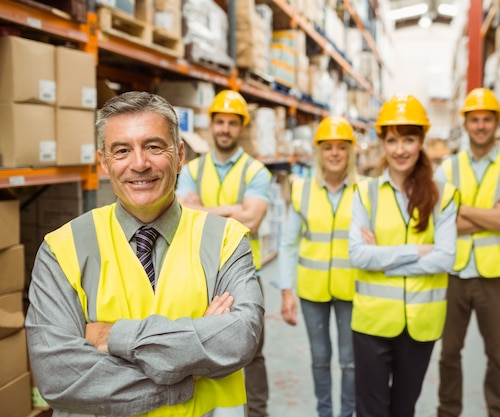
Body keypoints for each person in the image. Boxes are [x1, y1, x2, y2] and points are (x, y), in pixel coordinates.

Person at [25, 91, 264, 417]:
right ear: (104, 163)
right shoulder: (63, 248)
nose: (139, 163)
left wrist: (113, 335)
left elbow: (239, 338)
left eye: (154, 146)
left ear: (180, 155)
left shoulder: (225, 240)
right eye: (122, 150)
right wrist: (188, 368)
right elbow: (58, 377)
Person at [348, 94, 459, 417]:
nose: (400, 150)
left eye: (409, 140)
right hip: (372, 323)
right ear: (382, 142)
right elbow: (357, 255)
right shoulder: (365, 194)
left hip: (421, 324)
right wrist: (415, 250)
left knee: (404, 409)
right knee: (371, 410)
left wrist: (382, 256)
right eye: (393, 140)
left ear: (422, 141)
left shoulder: (444, 196)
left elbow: (446, 259)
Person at [434, 87, 500, 417]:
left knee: (499, 355)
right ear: (465, 123)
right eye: (474, 120)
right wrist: (492, 215)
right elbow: (437, 222)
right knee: (448, 353)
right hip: (454, 273)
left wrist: (462, 209)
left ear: (496, 123)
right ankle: (448, 412)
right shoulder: (447, 169)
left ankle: (499, 412)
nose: (480, 126)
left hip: (495, 277)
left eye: (486, 120)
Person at [175, 89, 271, 417]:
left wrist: (204, 211)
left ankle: (257, 412)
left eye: (232, 123)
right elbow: (184, 215)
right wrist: (234, 209)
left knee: (251, 352)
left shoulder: (256, 171)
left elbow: (253, 219)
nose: (225, 129)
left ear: (241, 127)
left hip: (244, 275)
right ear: (211, 125)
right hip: (199, 275)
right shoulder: (191, 169)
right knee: (200, 347)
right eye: (220, 122)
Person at [274, 116, 360, 417]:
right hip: (313, 291)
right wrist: (286, 291)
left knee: (350, 362)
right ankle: (325, 413)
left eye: (341, 147)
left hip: (353, 290)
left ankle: (347, 413)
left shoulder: (366, 191)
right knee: (320, 358)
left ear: (351, 151)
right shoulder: (302, 190)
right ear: (318, 152)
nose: (334, 153)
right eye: (328, 147)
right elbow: (288, 244)